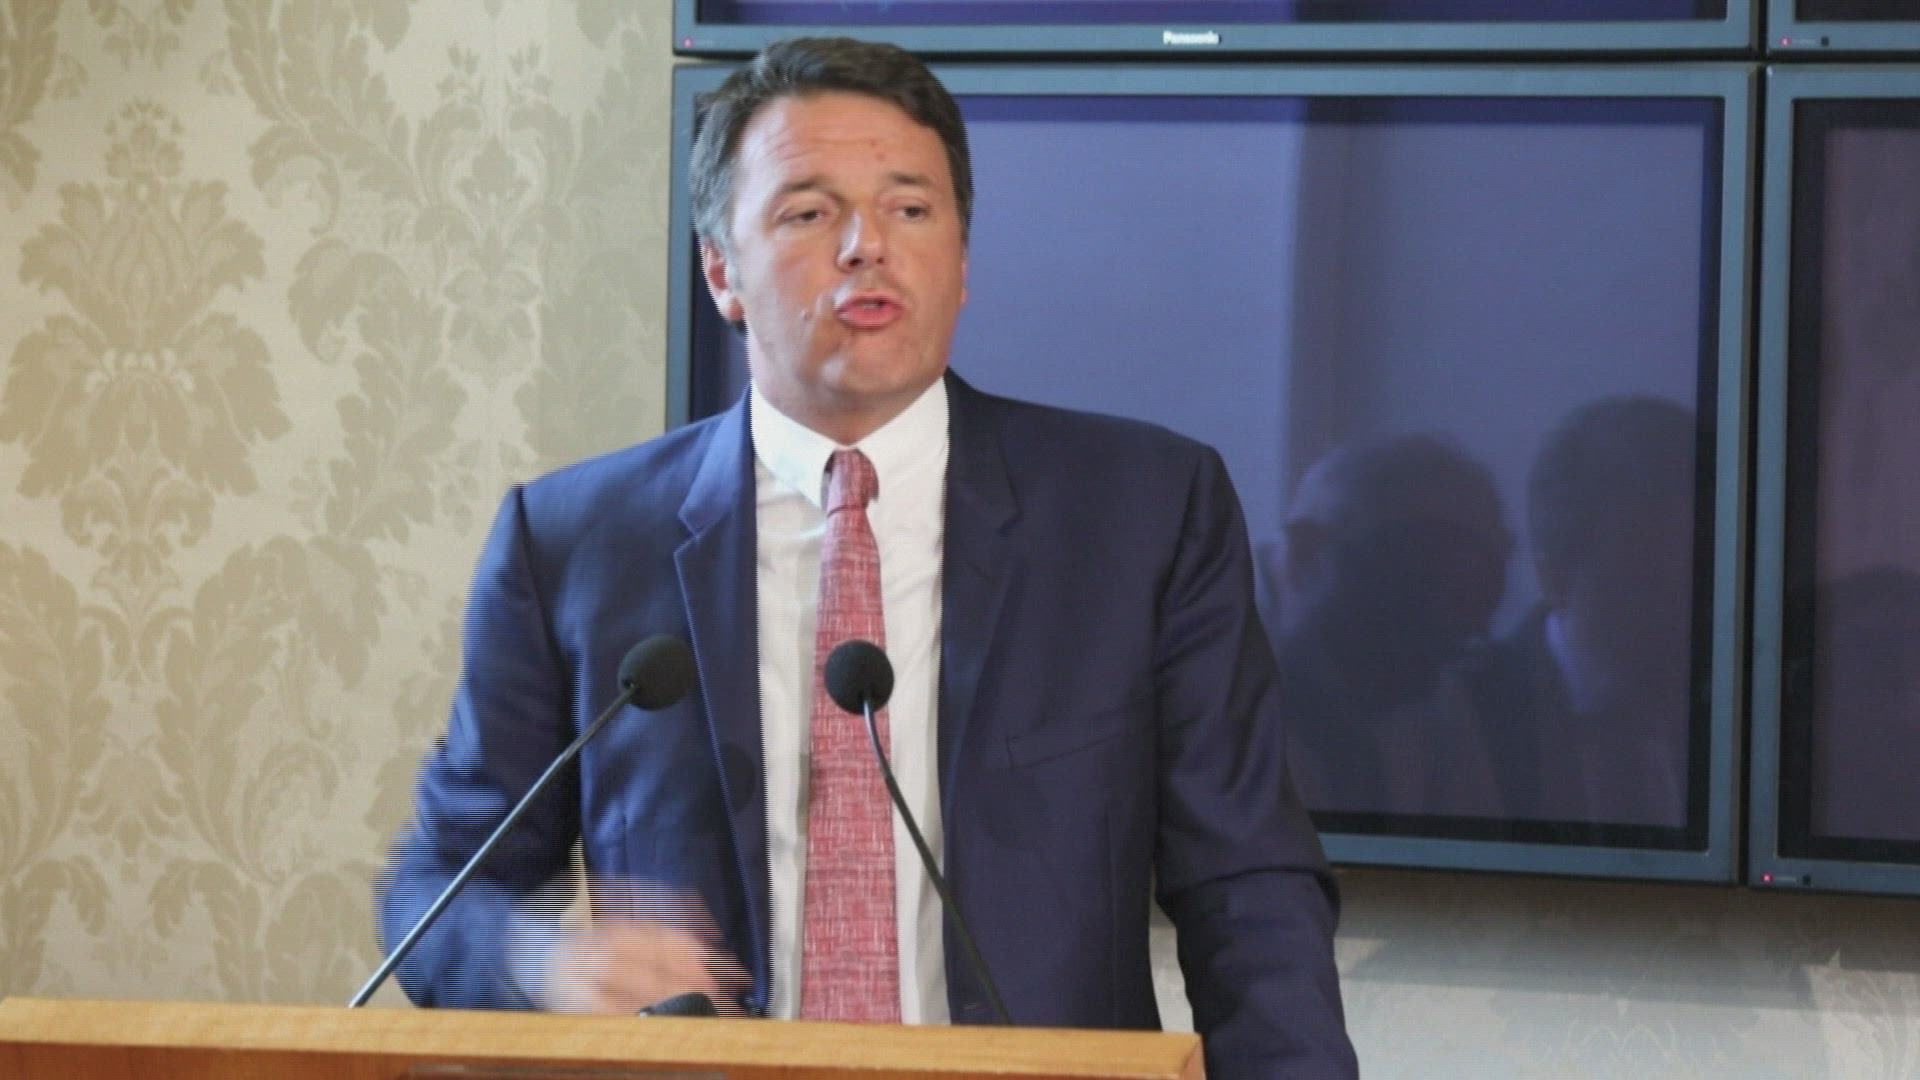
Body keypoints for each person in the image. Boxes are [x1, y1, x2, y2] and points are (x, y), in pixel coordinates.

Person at [378, 36, 1355, 1078]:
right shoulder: (574, 540)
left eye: (911, 209)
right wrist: (542, 962)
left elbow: (1246, 881)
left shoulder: (1141, 511)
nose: (866, 247)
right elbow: (441, 886)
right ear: (722, 271)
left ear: (963, 261)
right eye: (808, 213)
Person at [1471, 395, 1698, 831]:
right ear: (1554, 577)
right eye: (1648, 581)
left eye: (1702, 577)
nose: (1684, 610)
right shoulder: (1464, 718)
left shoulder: (1748, 705)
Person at [1264, 434, 1513, 819]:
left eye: (1475, 593)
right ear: (1307, 553)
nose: (1463, 638)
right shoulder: (1190, 692)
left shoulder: (1439, 698)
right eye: (1415, 586)